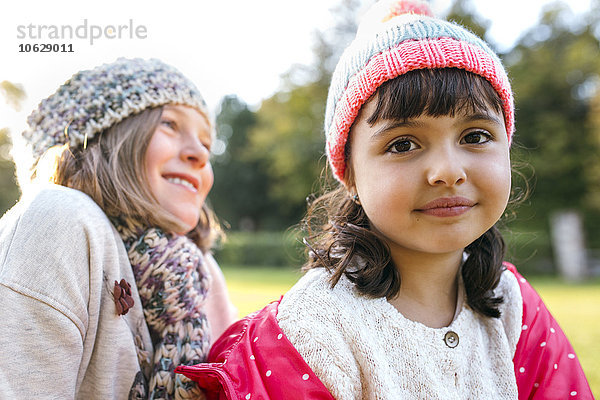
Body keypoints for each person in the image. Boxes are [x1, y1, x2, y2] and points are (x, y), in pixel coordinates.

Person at [176, 1, 594, 399]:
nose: (448, 170)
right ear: (350, 173)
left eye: (475, 136)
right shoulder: (312, 332)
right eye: (403, 143)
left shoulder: (514, 307)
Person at [0, 58, 237, 399]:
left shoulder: (200, 274)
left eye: (206, 143)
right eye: (169, 124)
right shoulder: (61, 220)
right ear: (103, 139)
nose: (200, 153)